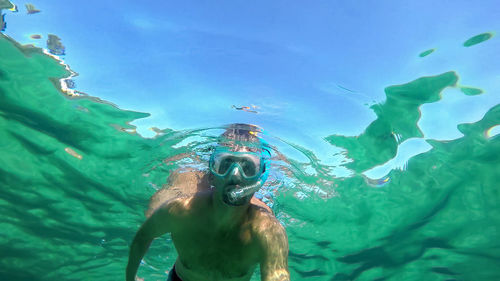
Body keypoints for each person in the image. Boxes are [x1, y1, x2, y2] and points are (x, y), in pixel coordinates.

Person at [126, 124, 290, 281]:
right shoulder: (181, 211)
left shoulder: (268, 231)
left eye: (247, 168)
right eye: (225, 164)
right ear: (212, 174)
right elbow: (143, 236)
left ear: (259, 179)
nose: (235, 176)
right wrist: (130, 278)